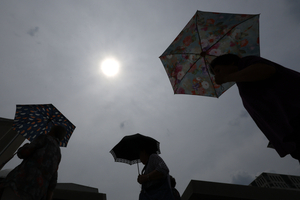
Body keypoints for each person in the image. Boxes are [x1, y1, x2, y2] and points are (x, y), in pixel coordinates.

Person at [210, 54, 300, 162]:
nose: (217, 76)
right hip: (290, 131)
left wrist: (225, 78)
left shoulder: (247, 62)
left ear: (231, 63)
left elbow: (266, 70)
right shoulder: (242, 82)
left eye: (218, 70)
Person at [0, 125, 67, 200]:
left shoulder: (44, 138)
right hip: (36, 193)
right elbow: (53, 179)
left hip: (19, 184)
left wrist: (24, 147)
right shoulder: (58, 153)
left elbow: (23, 153)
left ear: (53, 131)